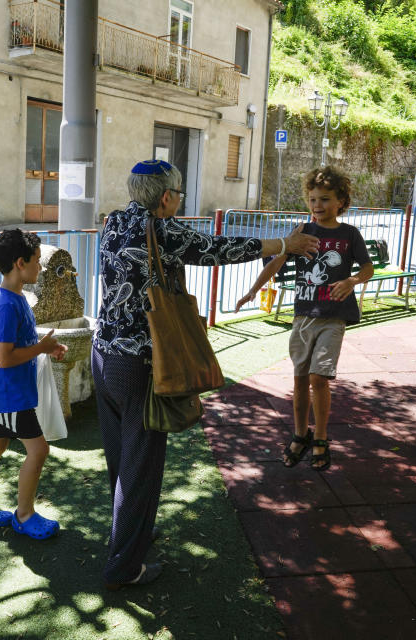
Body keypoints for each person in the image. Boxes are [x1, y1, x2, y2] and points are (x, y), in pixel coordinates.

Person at [93, 159, 319, 589]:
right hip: (141, 363)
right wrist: (283, 244)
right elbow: (217, 249)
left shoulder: (115, 220)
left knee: (120, 458)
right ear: (166, 197)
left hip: (103, 355)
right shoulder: (162, 228)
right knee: (140, 466)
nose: (179, 202)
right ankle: (123, 567)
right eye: (178, 195)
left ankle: (129, 531)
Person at [235, 166, 373, 472]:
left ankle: (321, 436)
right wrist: (251, 291)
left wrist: (351, 281)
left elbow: (367, 268)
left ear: (341, 201)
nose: (317, 205)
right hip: (303, 317)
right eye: (312, 199)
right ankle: (301, 434)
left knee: (318, 377)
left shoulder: (349, 234)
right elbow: (275, 263)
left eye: (324, 199)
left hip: (333, 317)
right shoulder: (302, 232)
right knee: (299, 379)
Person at [0, 229, 66, 539]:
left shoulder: (15, 296)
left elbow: (17, 342)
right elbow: (4, 358)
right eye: (37, 261)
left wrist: (44, 346)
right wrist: (42, 348)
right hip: (11, 396)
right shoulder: (7, 304)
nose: (41, 267)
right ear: (20, 263)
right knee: (39, 451)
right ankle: (24, 514)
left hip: (10, 393)